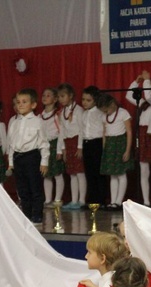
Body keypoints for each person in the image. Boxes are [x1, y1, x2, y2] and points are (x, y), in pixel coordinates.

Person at [7, 88, 49, 225]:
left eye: (24, 102)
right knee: (22, 188)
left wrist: (44, 161)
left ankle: (37, 215)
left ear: (33, 105)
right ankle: (26, 214)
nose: (20, 105)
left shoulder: (37, 121)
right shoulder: (13, 122)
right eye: (18, 102)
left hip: (32, 157)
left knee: (35, 187)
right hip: (18, 158)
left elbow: (43, 143)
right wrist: (11, 162)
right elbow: (11, 144)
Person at [125, 71, 151, 206]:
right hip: (142, 135)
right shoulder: (144, 104)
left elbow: (149, 96)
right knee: (144, 171)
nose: (149, 89)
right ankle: (146, 201)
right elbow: (129, 95)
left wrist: (147, 81)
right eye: (149, 86)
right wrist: (136, 82)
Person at [97, 93, 133, 210]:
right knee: (112, 175)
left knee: (121, 173)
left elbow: (129, 132)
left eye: (106, 110)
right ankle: (113, 201)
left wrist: (127, 150)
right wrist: (104, 148)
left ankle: (119, 201)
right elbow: (104, 133)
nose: (105, 113)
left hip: (120, 143)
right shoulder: (104, 117)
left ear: (112, 104)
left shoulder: (123, 113)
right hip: (110, 145)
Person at [56, 83, 87, 211]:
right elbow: (62, 131)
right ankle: (74, 200)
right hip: (68, 143)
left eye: (63, 96)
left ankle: (82, 200)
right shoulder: (62, 112)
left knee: (80, 172)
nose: (60, 99)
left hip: (76, 142)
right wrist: (62, 148)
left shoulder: (79, 110)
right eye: (59, 97)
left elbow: (81, 129)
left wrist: (80, 147)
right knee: (72, 174)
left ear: (71, 96)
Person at [78, 86, 107, 205]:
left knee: (99, 172)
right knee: (89, 172)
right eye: (83, 99)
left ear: (95, 100)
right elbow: (81, 131)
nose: (84, 102)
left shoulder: (100, 113)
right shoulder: (83, 114)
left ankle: (101, 199)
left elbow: (105, 130)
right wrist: (80, 147)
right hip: (87, 144)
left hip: (97, 143)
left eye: (88, 100)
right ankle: (92, 199)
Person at [39, 87, 65, 208]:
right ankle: (47, 199)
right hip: (44, 146)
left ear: (55, 99)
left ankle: (57, 199)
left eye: (48, 95)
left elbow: (61, 132)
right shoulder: (40, 116)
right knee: (46, 174)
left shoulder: (57, 114)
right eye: (43, 95)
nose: (45, 97)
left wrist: (60, 149)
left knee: (57, 173)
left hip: (55, 145)